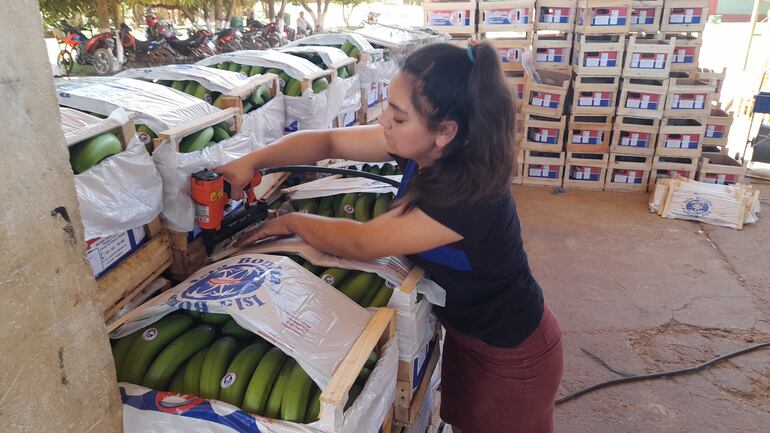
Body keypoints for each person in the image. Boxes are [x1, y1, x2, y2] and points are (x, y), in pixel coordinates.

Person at [216, 42, 564, 433]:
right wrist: (252, 160)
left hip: (513, 354)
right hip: (469, 336)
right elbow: (328, 142)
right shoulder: (426, 149)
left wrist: (293, 222)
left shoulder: (469, 197)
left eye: (397, 117)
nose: (384, 122)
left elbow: (362, 241)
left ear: (446, 131)